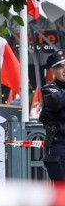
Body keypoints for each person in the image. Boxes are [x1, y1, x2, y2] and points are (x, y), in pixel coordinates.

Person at [39, 52, 65, 184]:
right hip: (59, 144)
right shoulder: (49, 89)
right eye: (60, 66)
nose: (64, 69)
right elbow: (57, 102)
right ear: (53, 70)